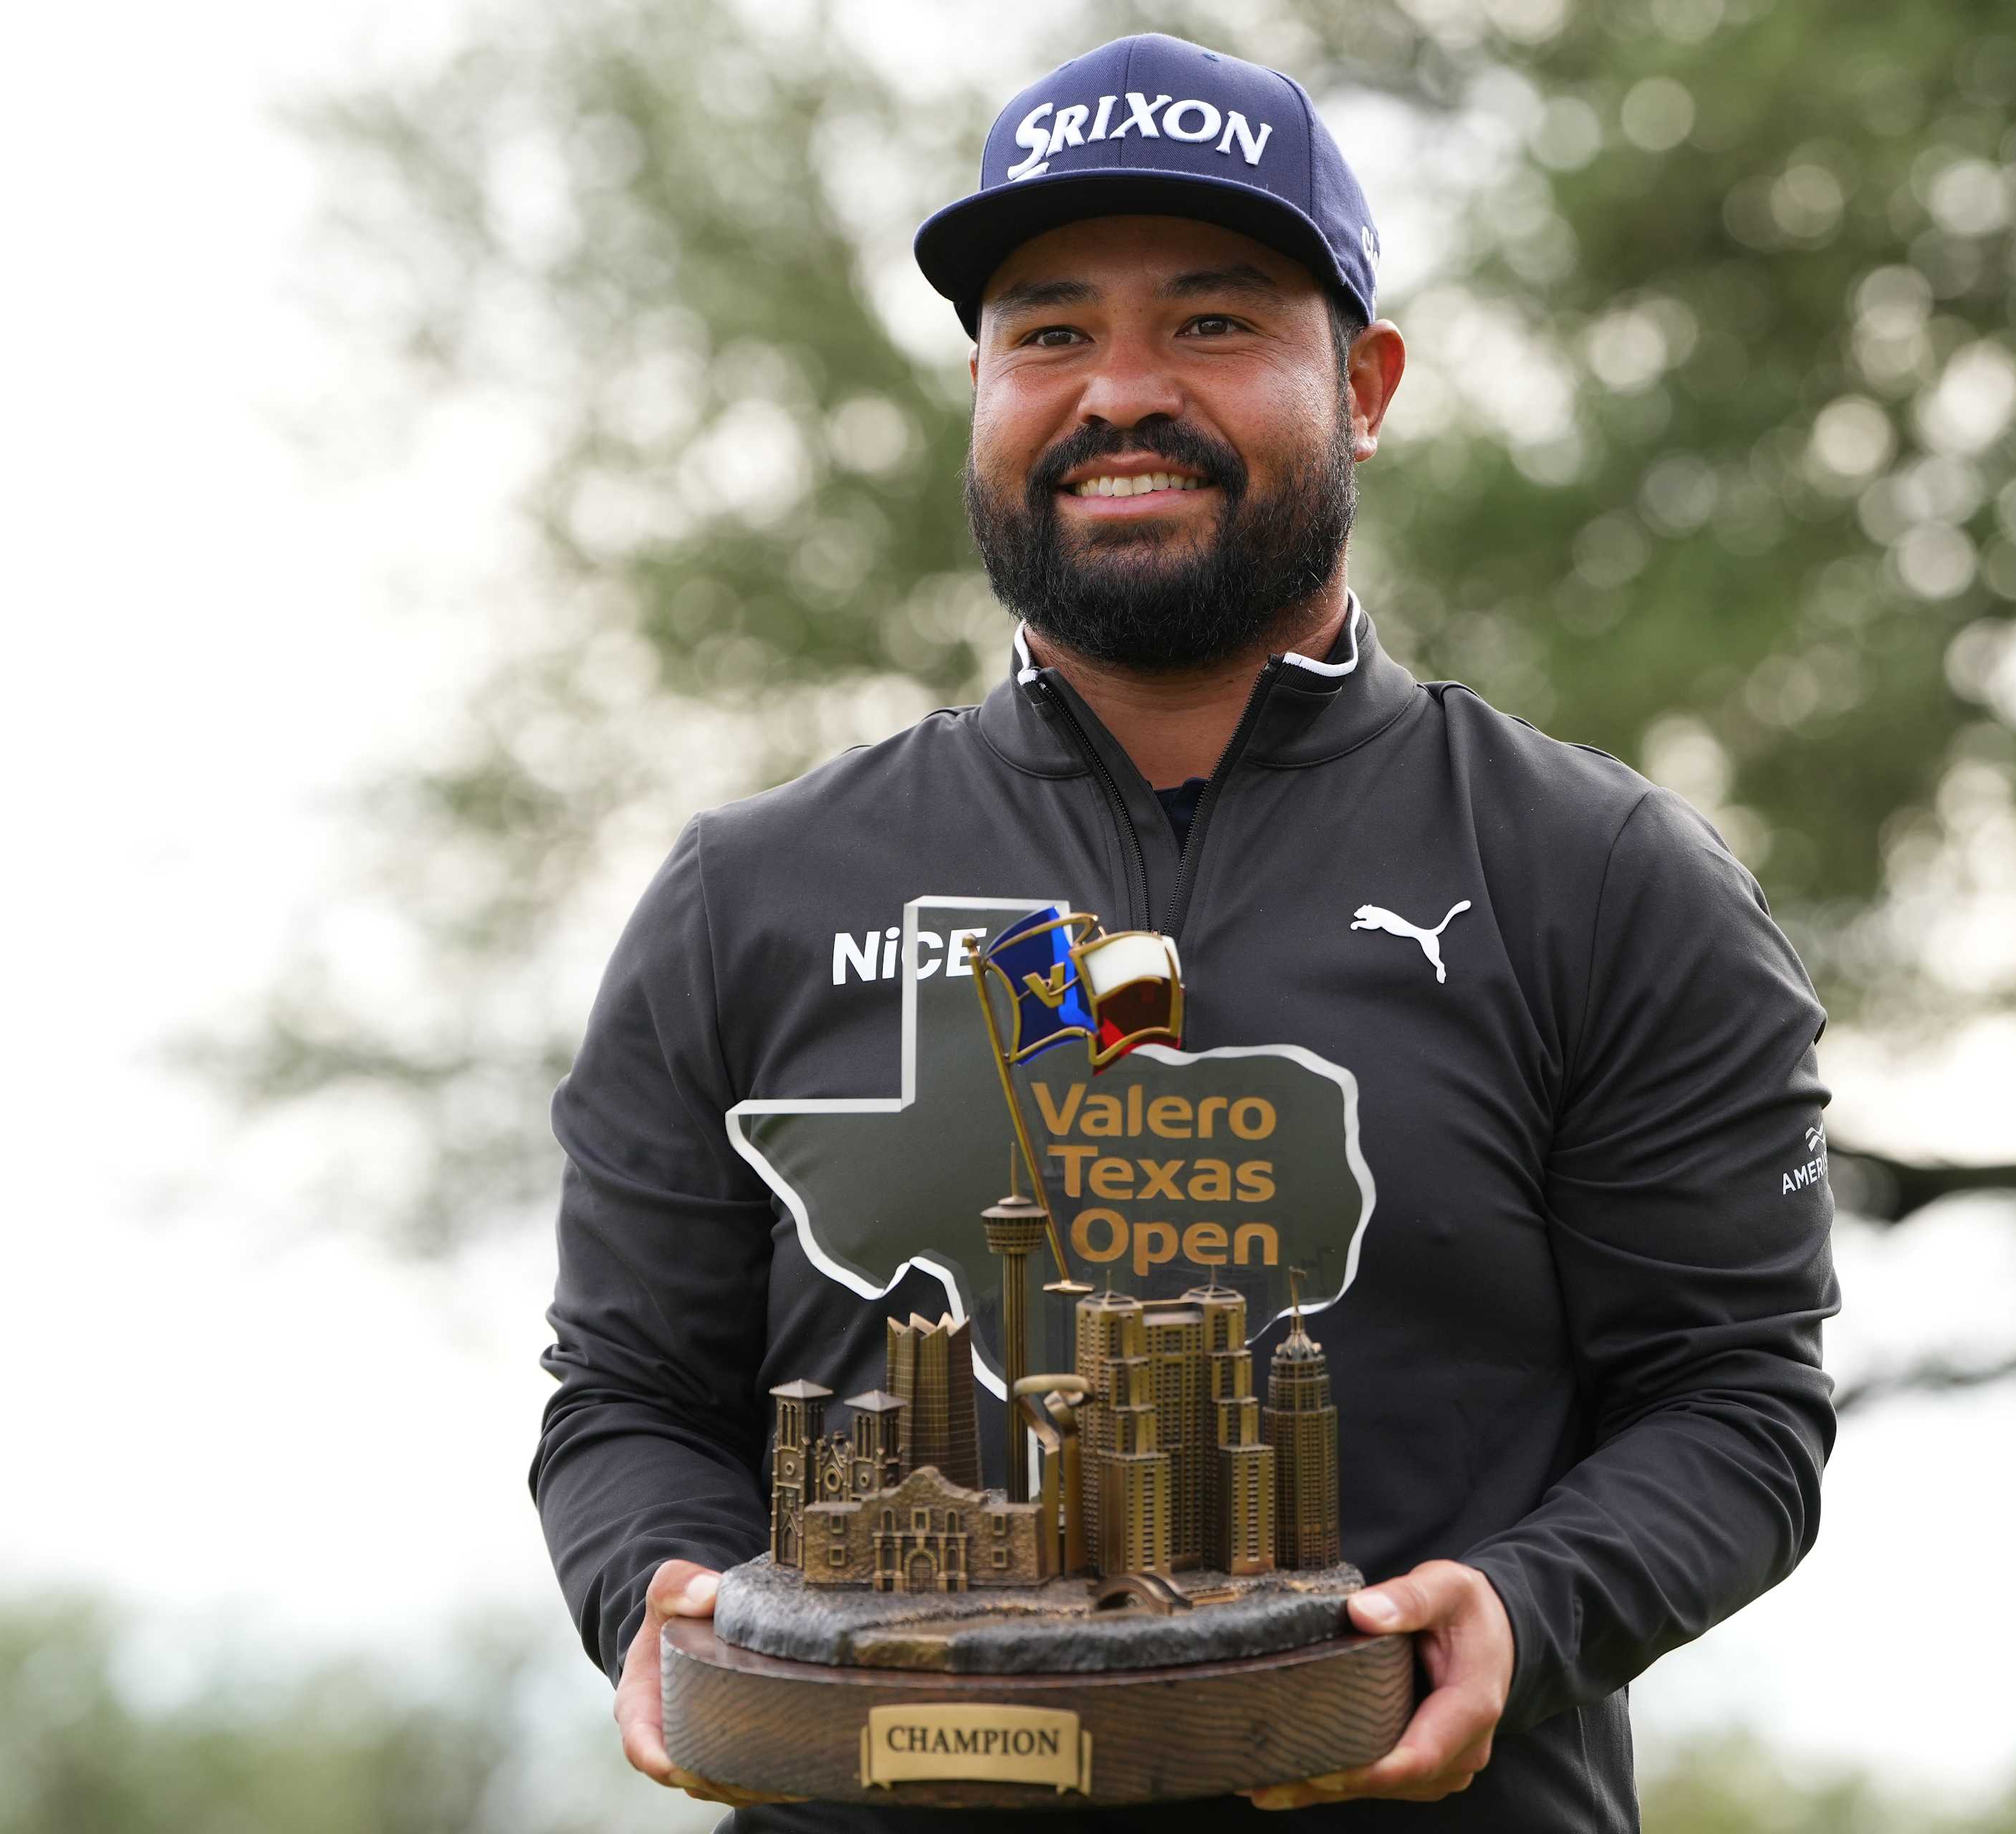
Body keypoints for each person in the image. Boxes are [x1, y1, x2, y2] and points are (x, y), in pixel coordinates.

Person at [533, 32, 1838, 1830]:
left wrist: (1528, 1613)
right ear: (983, 390)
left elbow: (1736, 1399)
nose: (1117, 391)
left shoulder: (1600, 874)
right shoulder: (749, 891)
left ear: (1364, 382)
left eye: (1213, 323)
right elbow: (621, 1396)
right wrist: (654, 1591)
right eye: (1048, 331)